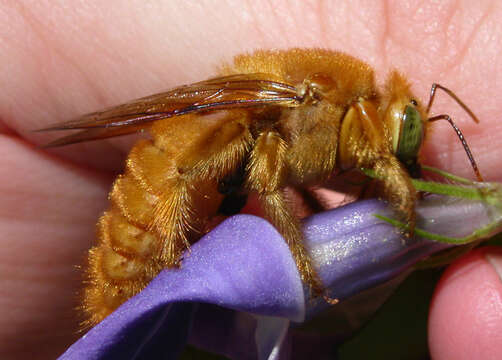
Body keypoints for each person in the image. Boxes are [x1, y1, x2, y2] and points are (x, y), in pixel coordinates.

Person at [0, 1, 501, 359]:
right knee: (200, 175)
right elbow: (267, 174)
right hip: (168, 182)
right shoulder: (321, 101)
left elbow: (283, 174)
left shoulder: (335, 122)